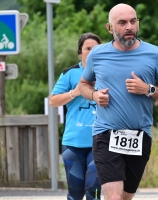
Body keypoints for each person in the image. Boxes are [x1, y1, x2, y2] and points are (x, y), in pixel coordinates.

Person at [78, 3, 158, 200]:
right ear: (110, 28)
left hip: (140, 136)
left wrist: (148, 89)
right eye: (122, 23)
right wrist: (94, 95)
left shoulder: (154, 54)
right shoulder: (97, 54)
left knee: (124, 197)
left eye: (133, 21)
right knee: (114, 198)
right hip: (105, 134)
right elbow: (84, 84)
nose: (129, 27)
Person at [49, 33, 102, 200]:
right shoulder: (70, 74)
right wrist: (75, 92)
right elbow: (53, 101)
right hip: (73, 143)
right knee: (75, 194)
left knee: (93, 192)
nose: (92, 52)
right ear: (80, 52)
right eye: (88, 48)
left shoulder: (108, 74)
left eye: (96, 49)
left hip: (100, 142)